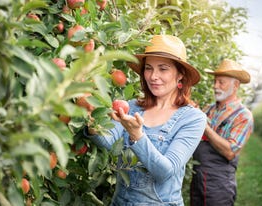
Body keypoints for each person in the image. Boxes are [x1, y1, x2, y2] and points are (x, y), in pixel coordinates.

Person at [84, 35, 206, 205]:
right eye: (149, 68)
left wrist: (137, 136)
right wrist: (90, 118)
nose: (153, 76)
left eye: (163, 69)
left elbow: (165, 171)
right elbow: (109, 141)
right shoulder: (133, 106)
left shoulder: (193, 118)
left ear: (180, 75)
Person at [190, 59, 254, 206]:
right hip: (197, 178)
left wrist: (204, 125)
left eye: (221, 82)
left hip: (219, 185)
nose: (215, 86)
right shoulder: (208, 109)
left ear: (236, 85)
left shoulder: (243, 116)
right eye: (215, 82)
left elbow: (230, 151)